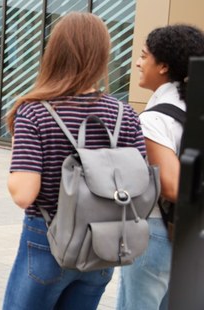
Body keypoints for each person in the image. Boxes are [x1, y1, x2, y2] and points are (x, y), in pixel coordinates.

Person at [2, 12, 146, 309]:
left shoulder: (35, 112)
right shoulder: (125, 115)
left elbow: (23, 192)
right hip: (102, 244)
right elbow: (140, 189)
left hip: (47, 240)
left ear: (54, 51)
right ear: (102, 56)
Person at [117, 24, 204, 310]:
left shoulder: (155, 120)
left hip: (156, 231)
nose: (139, 63)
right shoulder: (194, 109)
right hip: (189, 235)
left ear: (164, 66)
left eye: (144, 56)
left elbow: (171, 185)